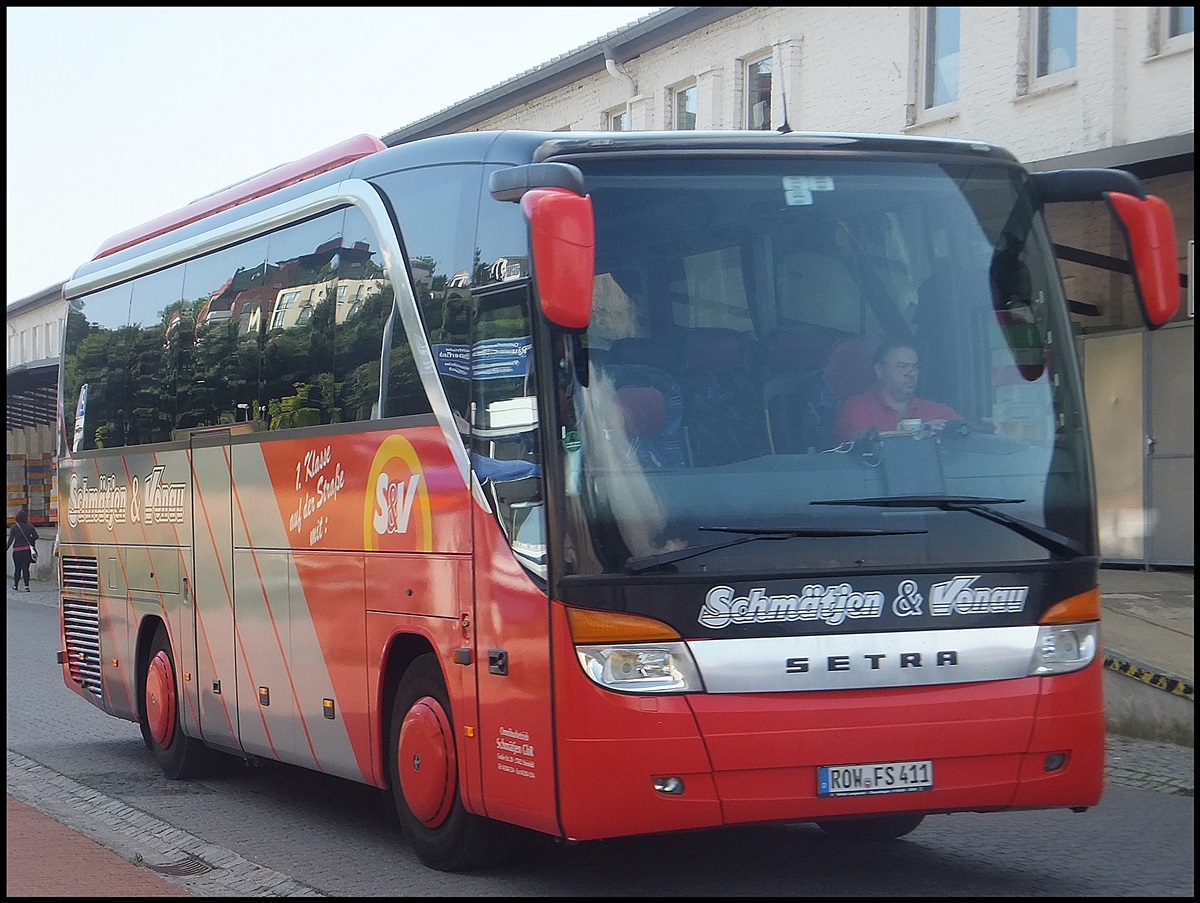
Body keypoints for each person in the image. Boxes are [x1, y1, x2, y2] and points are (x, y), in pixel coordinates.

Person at [832, 339, 962, 442]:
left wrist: (980, 429)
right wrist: (921, 432)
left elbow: (968, 434)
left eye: (915, 367)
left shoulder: (937, 411)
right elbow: (863, 443)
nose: (911, 373)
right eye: (903, 366)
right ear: (880, 370)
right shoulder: (856, 407)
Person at [6, 507, 39, 593]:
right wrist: (30, 541)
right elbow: (36, 536)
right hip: (26, 550)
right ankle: (26, 586)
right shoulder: (29, 526)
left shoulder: (14, 527)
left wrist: (6, 548)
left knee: (17, 568)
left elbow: (10, 540)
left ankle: (15, 585)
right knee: (25, 568)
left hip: (17, 550)